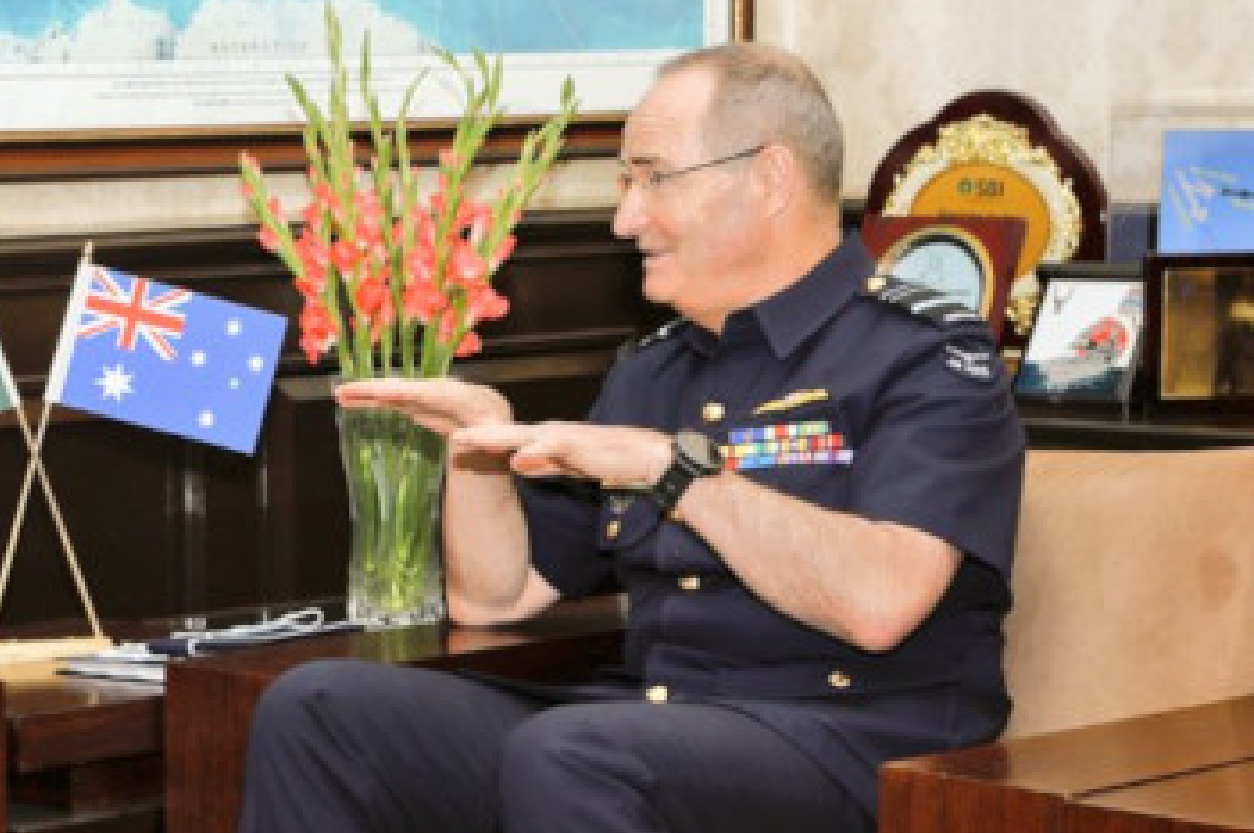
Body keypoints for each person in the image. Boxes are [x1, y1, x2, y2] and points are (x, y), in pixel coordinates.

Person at [236, 42, 1024, 833]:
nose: (624, 219)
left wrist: (672, 470)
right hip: (646, 722)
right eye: (625, 182)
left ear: (770, 176)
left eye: (653, 178)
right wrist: (478, 444)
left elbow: (880, 602)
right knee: (319, 707)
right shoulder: (653, 369)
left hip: (852, 748)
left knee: (574, 752)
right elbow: (499, 594)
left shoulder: (923, 352)